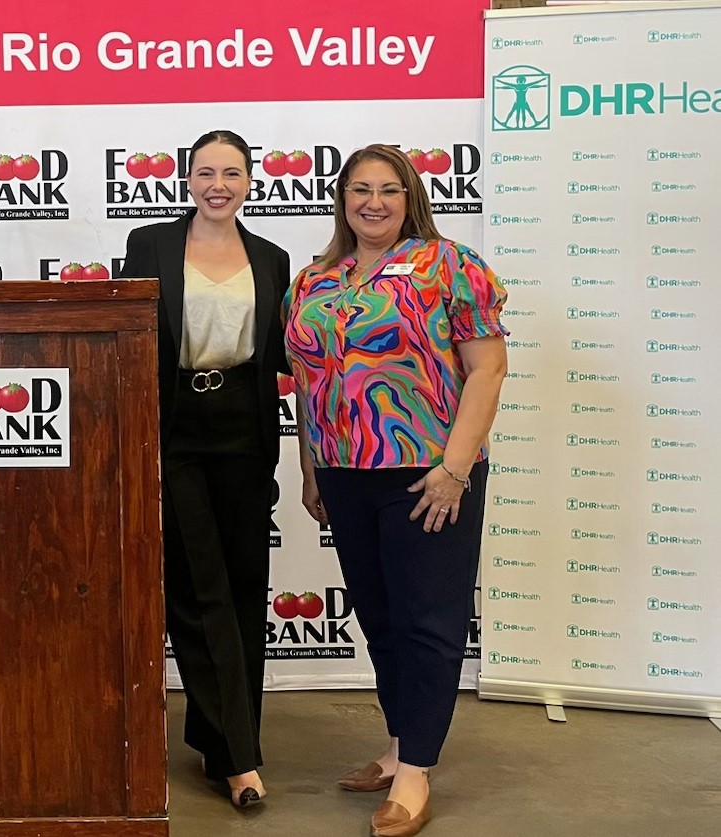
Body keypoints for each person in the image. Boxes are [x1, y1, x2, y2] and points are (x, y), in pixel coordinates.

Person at [283, 144, 508, 837]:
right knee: (379, 619)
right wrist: (311, 466)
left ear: (410, 196)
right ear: (341, 198)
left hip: (429, 473)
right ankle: (398, 743)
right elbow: (309, 383)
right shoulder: (316, 278)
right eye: (359, 189)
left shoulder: (452, 267)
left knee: (427, 623)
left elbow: (489, 368)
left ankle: (415, 774)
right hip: (346, 473)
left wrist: (455, 468)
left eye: (387, 189)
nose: (372, 201)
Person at [120, 130, 290, 809]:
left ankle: (224, 736)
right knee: (199, 589)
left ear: (251, 181)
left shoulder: (273, 259)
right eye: (205, 172)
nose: (218, 183)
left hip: (246, 432)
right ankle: (238, 758)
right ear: (187, 180)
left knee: (247, 587)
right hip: (175, 432)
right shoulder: (150, 245)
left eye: (232, 172)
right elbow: (128, 336)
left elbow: (287, 358)